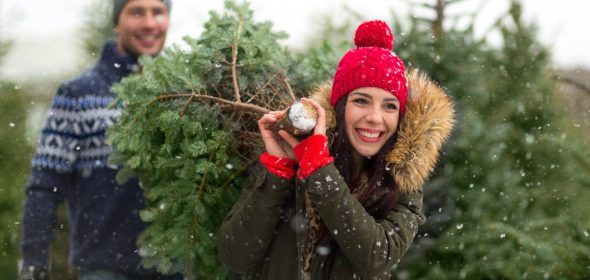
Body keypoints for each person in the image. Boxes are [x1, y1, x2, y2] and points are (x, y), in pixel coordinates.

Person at [217, 20, 454, 279]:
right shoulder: (293, 157)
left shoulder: (403, 185)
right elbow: (235, 256)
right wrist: (277, 175)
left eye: (389, 106)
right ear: (339, 108)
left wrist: (319, 170)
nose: (375, 117)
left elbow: (376, 256)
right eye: (361, 101)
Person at [19, 1, 180, 279]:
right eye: (137, 12)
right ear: (117, 22)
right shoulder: (79, 94)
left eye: (158, 12)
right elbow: (45, 185)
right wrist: (34, 261)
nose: (149, 23)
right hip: (104, 269)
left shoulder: (185, 96)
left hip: (172, 267)